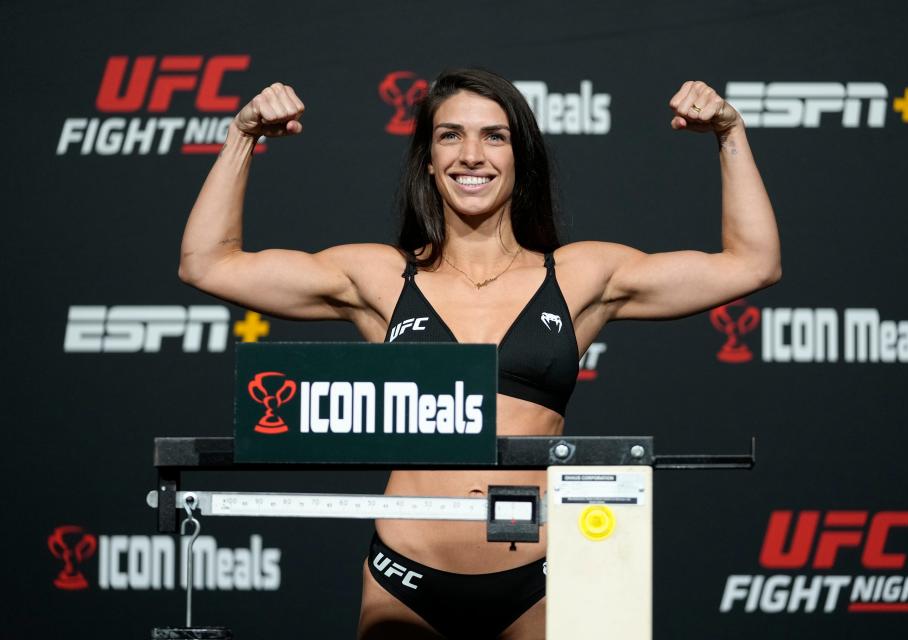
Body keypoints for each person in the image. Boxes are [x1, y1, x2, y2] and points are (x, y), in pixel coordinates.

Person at [179, 68, 780, 639]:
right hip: (406, 580)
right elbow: (208, 264)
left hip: (539, 582)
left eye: (495, 136)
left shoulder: (581, 275)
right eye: (451, 136)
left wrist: (729, 134)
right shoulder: (380, 277)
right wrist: (241, 135)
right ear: (429, 158)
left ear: (522, 157)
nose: (472, 155)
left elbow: (752, 264)